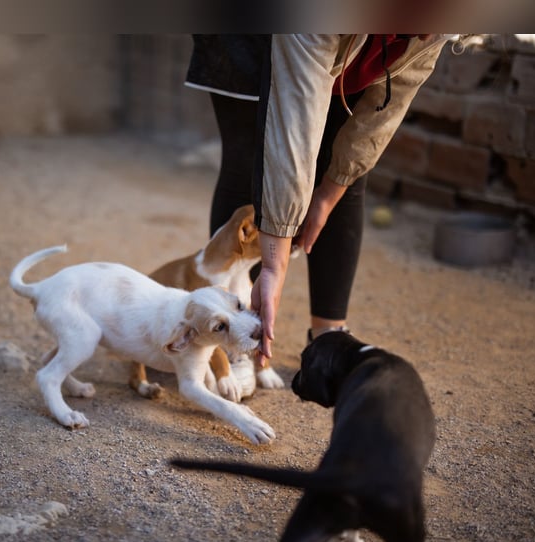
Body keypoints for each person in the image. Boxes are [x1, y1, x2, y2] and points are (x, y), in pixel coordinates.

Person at [185, 34, 450, 365]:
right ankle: (232, 340)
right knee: (248, 162)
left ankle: (328, 337)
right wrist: (274, 262)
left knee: (340, 168)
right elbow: (295, 124)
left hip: (351, 39)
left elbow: (382, 113)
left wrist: (327, 193)